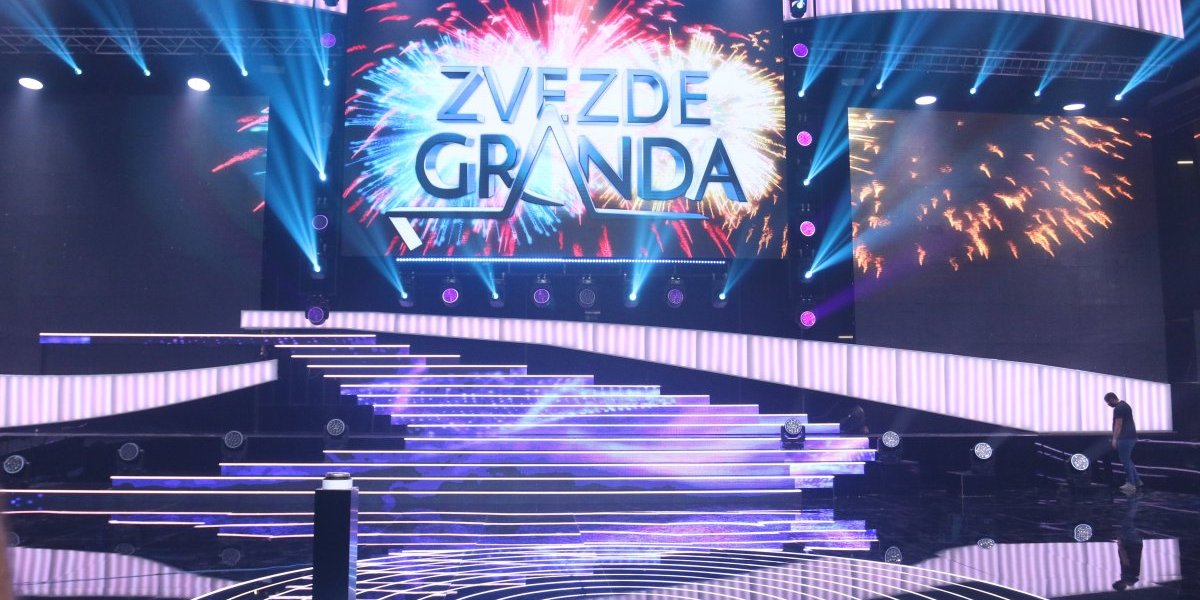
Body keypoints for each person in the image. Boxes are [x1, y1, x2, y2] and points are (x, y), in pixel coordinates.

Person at [1104, 392, 1141, 494]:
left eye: (1108, 402)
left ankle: (1131, 484)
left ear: (1112, 399)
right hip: (1131, 437)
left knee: (1125, 460)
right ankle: (1137, 481)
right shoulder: (1125, 405)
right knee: (1128, 460)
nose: (1108, 404)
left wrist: (1114, 439)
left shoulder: (1118, 408)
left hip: (1125, 438)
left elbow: (1118, 425)